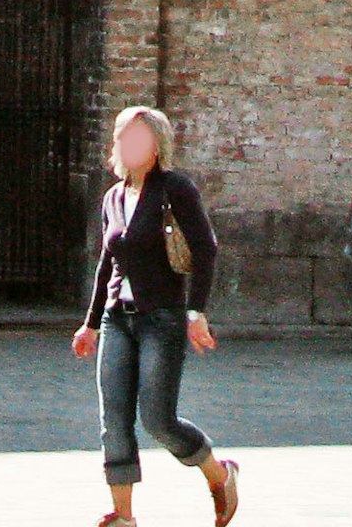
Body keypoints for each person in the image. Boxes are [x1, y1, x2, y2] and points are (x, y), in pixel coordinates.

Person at [72, 105, 239, 526]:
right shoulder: (113, 197)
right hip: (117, 320)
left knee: (158, 420)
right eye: (125, 139)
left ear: (157, 146)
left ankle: (219, 475)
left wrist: (196, 312)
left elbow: (205, 249)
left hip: (161, 317)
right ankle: (124, 517)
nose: (131, 147)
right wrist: (91, 323)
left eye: (141, 139)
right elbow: (107, 263)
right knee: (114, 420)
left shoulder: (174, 189)